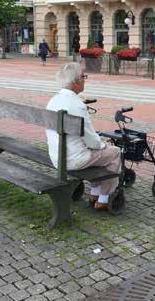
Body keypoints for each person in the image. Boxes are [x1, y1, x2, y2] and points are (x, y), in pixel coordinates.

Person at [46, 63, 121, 210]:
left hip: (56, 156)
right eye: (83, 77)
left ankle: (94, 192)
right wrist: (104, 144)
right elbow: (92, 141)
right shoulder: (77, 105)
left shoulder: (53, 100)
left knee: (98, 153)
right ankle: (104, 199)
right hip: (74, 159)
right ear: (75, 82)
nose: (85, 80)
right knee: (115, 152)